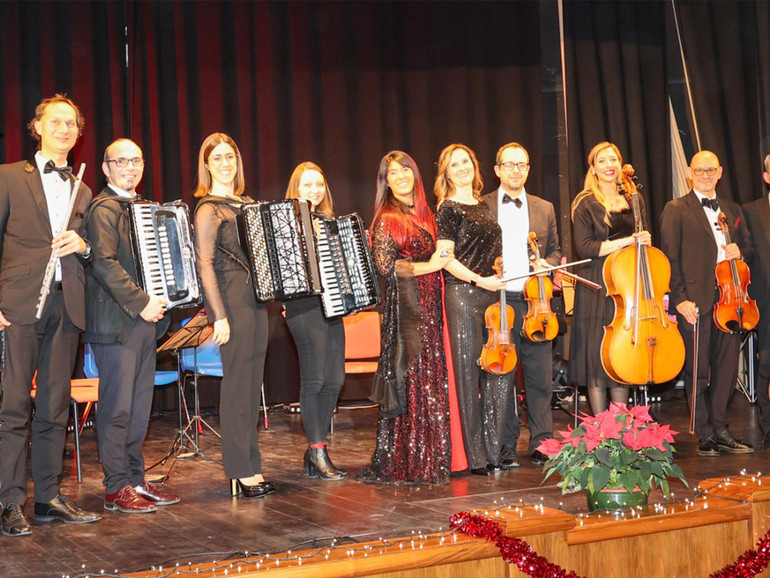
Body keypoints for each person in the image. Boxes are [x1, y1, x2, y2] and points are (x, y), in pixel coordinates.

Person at [0, 94, 100, 537]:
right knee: (14, 405)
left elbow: (93, 251)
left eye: (72, 124)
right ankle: (8, 501)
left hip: (66, 305)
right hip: (19, 305)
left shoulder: (84, 189)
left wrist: (84, 246)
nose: (64, 129)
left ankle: (48, 498)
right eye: (55, 122)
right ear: (36, 126)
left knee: (54, 407)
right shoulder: (7, 178)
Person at [84, 138, 180, 513]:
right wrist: (143, 302)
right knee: (117, 409)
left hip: (145, 322)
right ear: (106, 168)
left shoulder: (144, 208)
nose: (130, 167)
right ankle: (115, 487)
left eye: (136, 160)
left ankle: (135, 479)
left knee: (140, 408)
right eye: (121, 161)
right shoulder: (102, 209)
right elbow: (104, 263)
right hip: (116, 323)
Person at [361, 151, 454, 484]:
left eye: (405, 171)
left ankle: (431, 455)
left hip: (432, 303)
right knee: (412, 379)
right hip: (407, 309)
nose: (400, 177)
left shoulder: (428, 213)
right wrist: (430, 266)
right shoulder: (387, 217)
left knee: (429, 379)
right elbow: (385, 267)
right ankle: (412, 458)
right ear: (385, 181)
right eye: (392, 174)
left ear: (415, 174)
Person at [193, 133, 274, 497]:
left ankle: (251, 466)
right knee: (237, 387)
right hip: (232, 301)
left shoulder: (248, 203)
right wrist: (218, 316)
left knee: (252, 386)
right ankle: (239, 469)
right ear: (207, 164)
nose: (225, 163)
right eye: (218, 158)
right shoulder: (208, 208)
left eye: (230, 156)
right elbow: (205, 264)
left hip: (258, 301)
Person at [660, 150, 753, 456]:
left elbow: (749, 247)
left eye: (711, 170)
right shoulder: (676, 209)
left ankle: (722, 428)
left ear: (720, 172)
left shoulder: (731, 208)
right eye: (700, 170)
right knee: (698, 370)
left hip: (731, 298)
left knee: (726, 368)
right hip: (695, 302)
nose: (705, 175)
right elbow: (669, 260)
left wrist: (741, 250)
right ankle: (704, 432)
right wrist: (680, 300)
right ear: (690, 172)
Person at [482, 143, 561, 467]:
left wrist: (548, 263)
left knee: (540, 378)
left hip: (536, 302)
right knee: (502, 376)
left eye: (522, 164)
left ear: (528, 169)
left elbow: (556, 251)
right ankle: (504, 444)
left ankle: (542, 442)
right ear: (498, 169)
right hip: (499, 303)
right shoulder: (482, 205)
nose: (516, 170)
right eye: (509, 164)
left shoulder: (545, 208)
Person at [434, 143, 508, 476]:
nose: (462, 167)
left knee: (498, 371)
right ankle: (475, 456)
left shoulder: (484, 204)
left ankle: (494, 452)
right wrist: (481, 280)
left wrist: (499, 273)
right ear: (446, 173)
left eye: (466, 161)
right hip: (464, 295)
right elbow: (445, 259)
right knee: (467, 376)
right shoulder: (447, 208)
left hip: (493, 295)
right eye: (454, 165)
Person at [570, 142, 651, 415]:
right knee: (597, 358)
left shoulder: (633, 198)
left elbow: (642, 238)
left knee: (620, 355)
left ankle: (619, 426)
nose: (609, 165)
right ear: (593, 168)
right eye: (602, 160)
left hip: (626, 286)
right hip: (597, 285)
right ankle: (599, 431)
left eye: (613, 159)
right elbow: (587, 248)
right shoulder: (584, 202)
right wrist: (629, 240)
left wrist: (645, 240)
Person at [283, 162, 346, 481]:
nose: (314, 191)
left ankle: (314, 452)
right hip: (304, 308)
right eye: (307, 185)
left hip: (333, 307)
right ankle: (317, 449)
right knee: (315, 380)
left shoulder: (331, 222)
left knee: (335, 379)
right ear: (296, 189)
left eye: (319, 185)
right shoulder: (285, 224)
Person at [743, 154, 770, 447]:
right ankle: (768, 425)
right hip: (767, 299)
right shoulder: (751, 211)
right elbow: (748, 253)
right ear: (766, 177)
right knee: (768, 365)